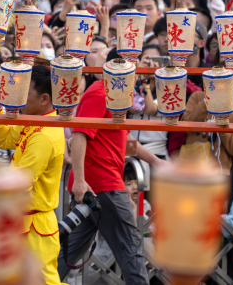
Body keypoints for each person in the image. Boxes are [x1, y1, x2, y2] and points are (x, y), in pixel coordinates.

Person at [58, 59, 168, 285]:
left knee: (67, 255)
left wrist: (156, 162)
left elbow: (124, 139)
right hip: (102, 185)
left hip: (97, 186)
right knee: (131, 249)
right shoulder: (100, 93)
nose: (137, 75)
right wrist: (79, 180)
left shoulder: (116, 94)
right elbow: (79, 134)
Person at [0, 66, 65, 285]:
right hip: (24, 220)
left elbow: (20, 181)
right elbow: (3, 140)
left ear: (44, 99)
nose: (19, 98)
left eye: (25, 93)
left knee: (43, 281)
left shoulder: (44, 134)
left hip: (35, 224)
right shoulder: (34, 119)